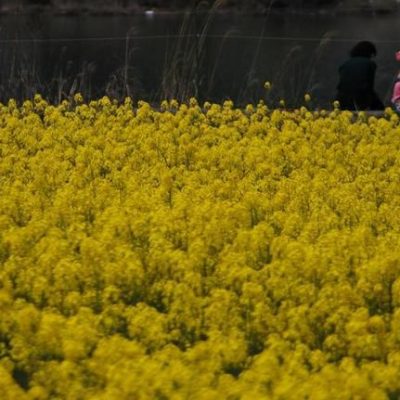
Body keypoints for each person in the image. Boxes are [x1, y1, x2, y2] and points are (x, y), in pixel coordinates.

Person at [335, 41, 384, 111]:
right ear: (369, 53)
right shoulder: (370, 64)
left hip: (342, 96)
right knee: (380, 111)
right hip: (361, 94)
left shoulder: (345, 64)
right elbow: (369, 86)